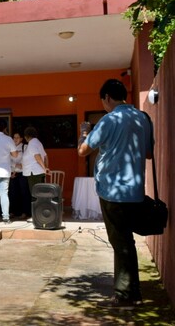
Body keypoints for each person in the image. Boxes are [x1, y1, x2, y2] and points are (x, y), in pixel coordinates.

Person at [78, 79, 151, 310]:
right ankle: (134, 292)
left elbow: (83, 151)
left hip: (113, 191)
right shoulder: (143, 118)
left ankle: (125, 296)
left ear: (107, 97)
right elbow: (148, 153)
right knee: (126, 242)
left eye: (103, 100)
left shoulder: (108, 120)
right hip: (136, 190)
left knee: (121, 243)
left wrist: (84, 133)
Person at [8, 132, 31, 220]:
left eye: (17, 137)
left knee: (24, 193)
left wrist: (21, 164)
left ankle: (25, 212)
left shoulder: (24, 147)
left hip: (23, 173)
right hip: (13, 173)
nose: (15, 139)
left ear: (21, 139)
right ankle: (13, 212)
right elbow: (8, 160)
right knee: (13, 193)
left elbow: (27, 159)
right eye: (14, 137)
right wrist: (14, 168)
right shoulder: (10, 148)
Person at [22, 126, 49, 193]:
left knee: (36, 194)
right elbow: (46, 157)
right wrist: (45, 168)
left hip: (34, 173)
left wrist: (44, 168)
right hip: (38, 172)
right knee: (39, 193)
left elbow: (37, 156)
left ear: (26, 136)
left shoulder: (32, 144)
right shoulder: (38, 142)